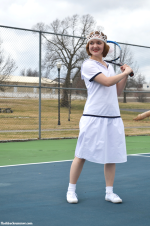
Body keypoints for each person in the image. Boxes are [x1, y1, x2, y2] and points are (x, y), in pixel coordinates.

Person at [66, 27, 133, 204]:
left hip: (113, 117)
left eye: (99, 43)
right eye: (92, 43)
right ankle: (71, 190)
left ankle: (109, 192)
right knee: (81, 154)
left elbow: (116, 90)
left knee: (111, 155)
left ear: (104, 47)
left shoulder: (109, 67)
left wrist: (124, 76)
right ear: (88, 47)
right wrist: (124, 72)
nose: (95, 46)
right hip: (93, 116)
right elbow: (106, 82)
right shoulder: (88, 65)